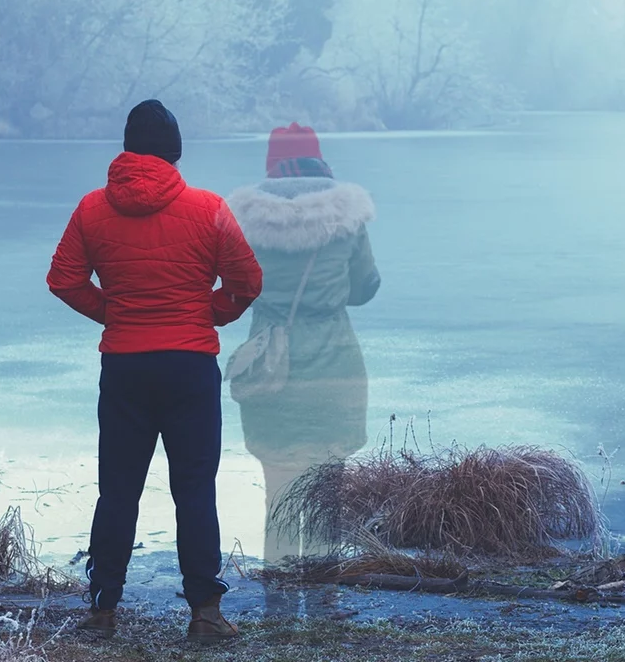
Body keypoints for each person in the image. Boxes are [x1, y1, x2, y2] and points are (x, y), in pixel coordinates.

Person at [46, 100, 262, 641]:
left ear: (126, 149)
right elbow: (248, 281)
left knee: (117, 490)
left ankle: (101, 612)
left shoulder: (92, 209)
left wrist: (115, 312)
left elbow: (64, 280)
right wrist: (211, 312)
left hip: (124, 367)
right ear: (174, 152)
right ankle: (206, 615)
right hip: (190, 366)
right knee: (194, 490)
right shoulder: (208, 208)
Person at [226, 122, 381, 568]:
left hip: (270, 364)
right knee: (327, 485)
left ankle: (277, 580)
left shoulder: (246, 222)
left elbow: (236, 288)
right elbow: (364, 288)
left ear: (271, 167)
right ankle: (323, 590)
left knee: (277, 481)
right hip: (334, 363)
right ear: (319, 161)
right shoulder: (346, 219)